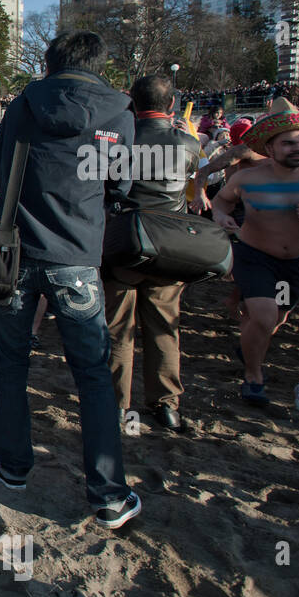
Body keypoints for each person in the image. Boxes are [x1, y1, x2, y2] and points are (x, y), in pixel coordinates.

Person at [0, 31, 141, 529]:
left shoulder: (23, 104)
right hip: (77, 257)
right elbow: (122, 185)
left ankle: (12, 467)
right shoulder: (119, 111)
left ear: (49, 63)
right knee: (93, 376)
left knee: (12, 364)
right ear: (100, 64)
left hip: (16, 254)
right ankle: (109, 495)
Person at [212, 109, 299, 405]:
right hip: (254, 257)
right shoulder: (248, 178)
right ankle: (254, 377)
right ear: (269, 148)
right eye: (290, 144)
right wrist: (220, 217)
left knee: (274, 318)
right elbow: (221, 201)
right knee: (265, 316)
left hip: (295, 265)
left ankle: (250, 343)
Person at [103, 75, 200, 432]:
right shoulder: (187, 144)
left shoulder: (120, 142)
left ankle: (117, 406)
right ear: (172, 105)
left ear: (131, 103)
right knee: (164, 328)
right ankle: (166, 404)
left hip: (125, 244)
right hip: (169, 247)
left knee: (118, 331)